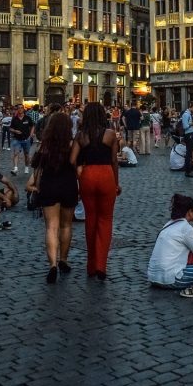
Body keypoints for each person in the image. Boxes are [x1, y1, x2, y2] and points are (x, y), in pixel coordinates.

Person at [71, 102, 121, 280]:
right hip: (106, 173)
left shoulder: (81, 135)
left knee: (90, 219)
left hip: (88, 175)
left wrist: (79, 174)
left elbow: (72, 160)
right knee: (105, 220)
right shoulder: (110, 134)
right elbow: (114, 160)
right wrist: (116, 183)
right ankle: (101, 265)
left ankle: (91, 265)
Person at [30, 112, 80, 283]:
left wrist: (35, 186)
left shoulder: (44, 145)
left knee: (51, 227)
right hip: (68, 185)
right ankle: (63, 260)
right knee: (66, 226)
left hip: (49, 185)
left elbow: (36, 167)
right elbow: (77, 166)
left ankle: (52, 264)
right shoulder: (73, 145)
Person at [147, 194, 193, 294]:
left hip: (153, 278)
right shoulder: (186, 228)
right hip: (172, 280)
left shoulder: (168, 224)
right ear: (189, 212)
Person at [8, 105, 35, 176]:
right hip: (17, 139)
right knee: (16, 153)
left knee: (26, 154)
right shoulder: (15, 119)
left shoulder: (27, 118)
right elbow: (10, 128)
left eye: (21, 108)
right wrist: (15, 131)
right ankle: (15, 168)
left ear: (23, 109)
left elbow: (32, 126)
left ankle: (26, 167)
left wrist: (31, 135)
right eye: (18, 108)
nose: (20, 109)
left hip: (26, 139)